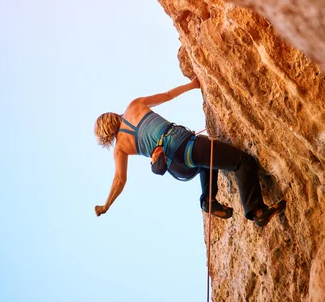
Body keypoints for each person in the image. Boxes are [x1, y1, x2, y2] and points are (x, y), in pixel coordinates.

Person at [94, 78, 286, 228]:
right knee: (242, 162)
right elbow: (168, 95)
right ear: (111, 116)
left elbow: (119, 180)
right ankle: (257, 211)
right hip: (185, 145)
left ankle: (208, 200)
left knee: (208, 160)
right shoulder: (134, 106)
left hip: (178, 168)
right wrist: (192, 84)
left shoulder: (120, 149)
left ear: (106, 135)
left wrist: (106, 205)